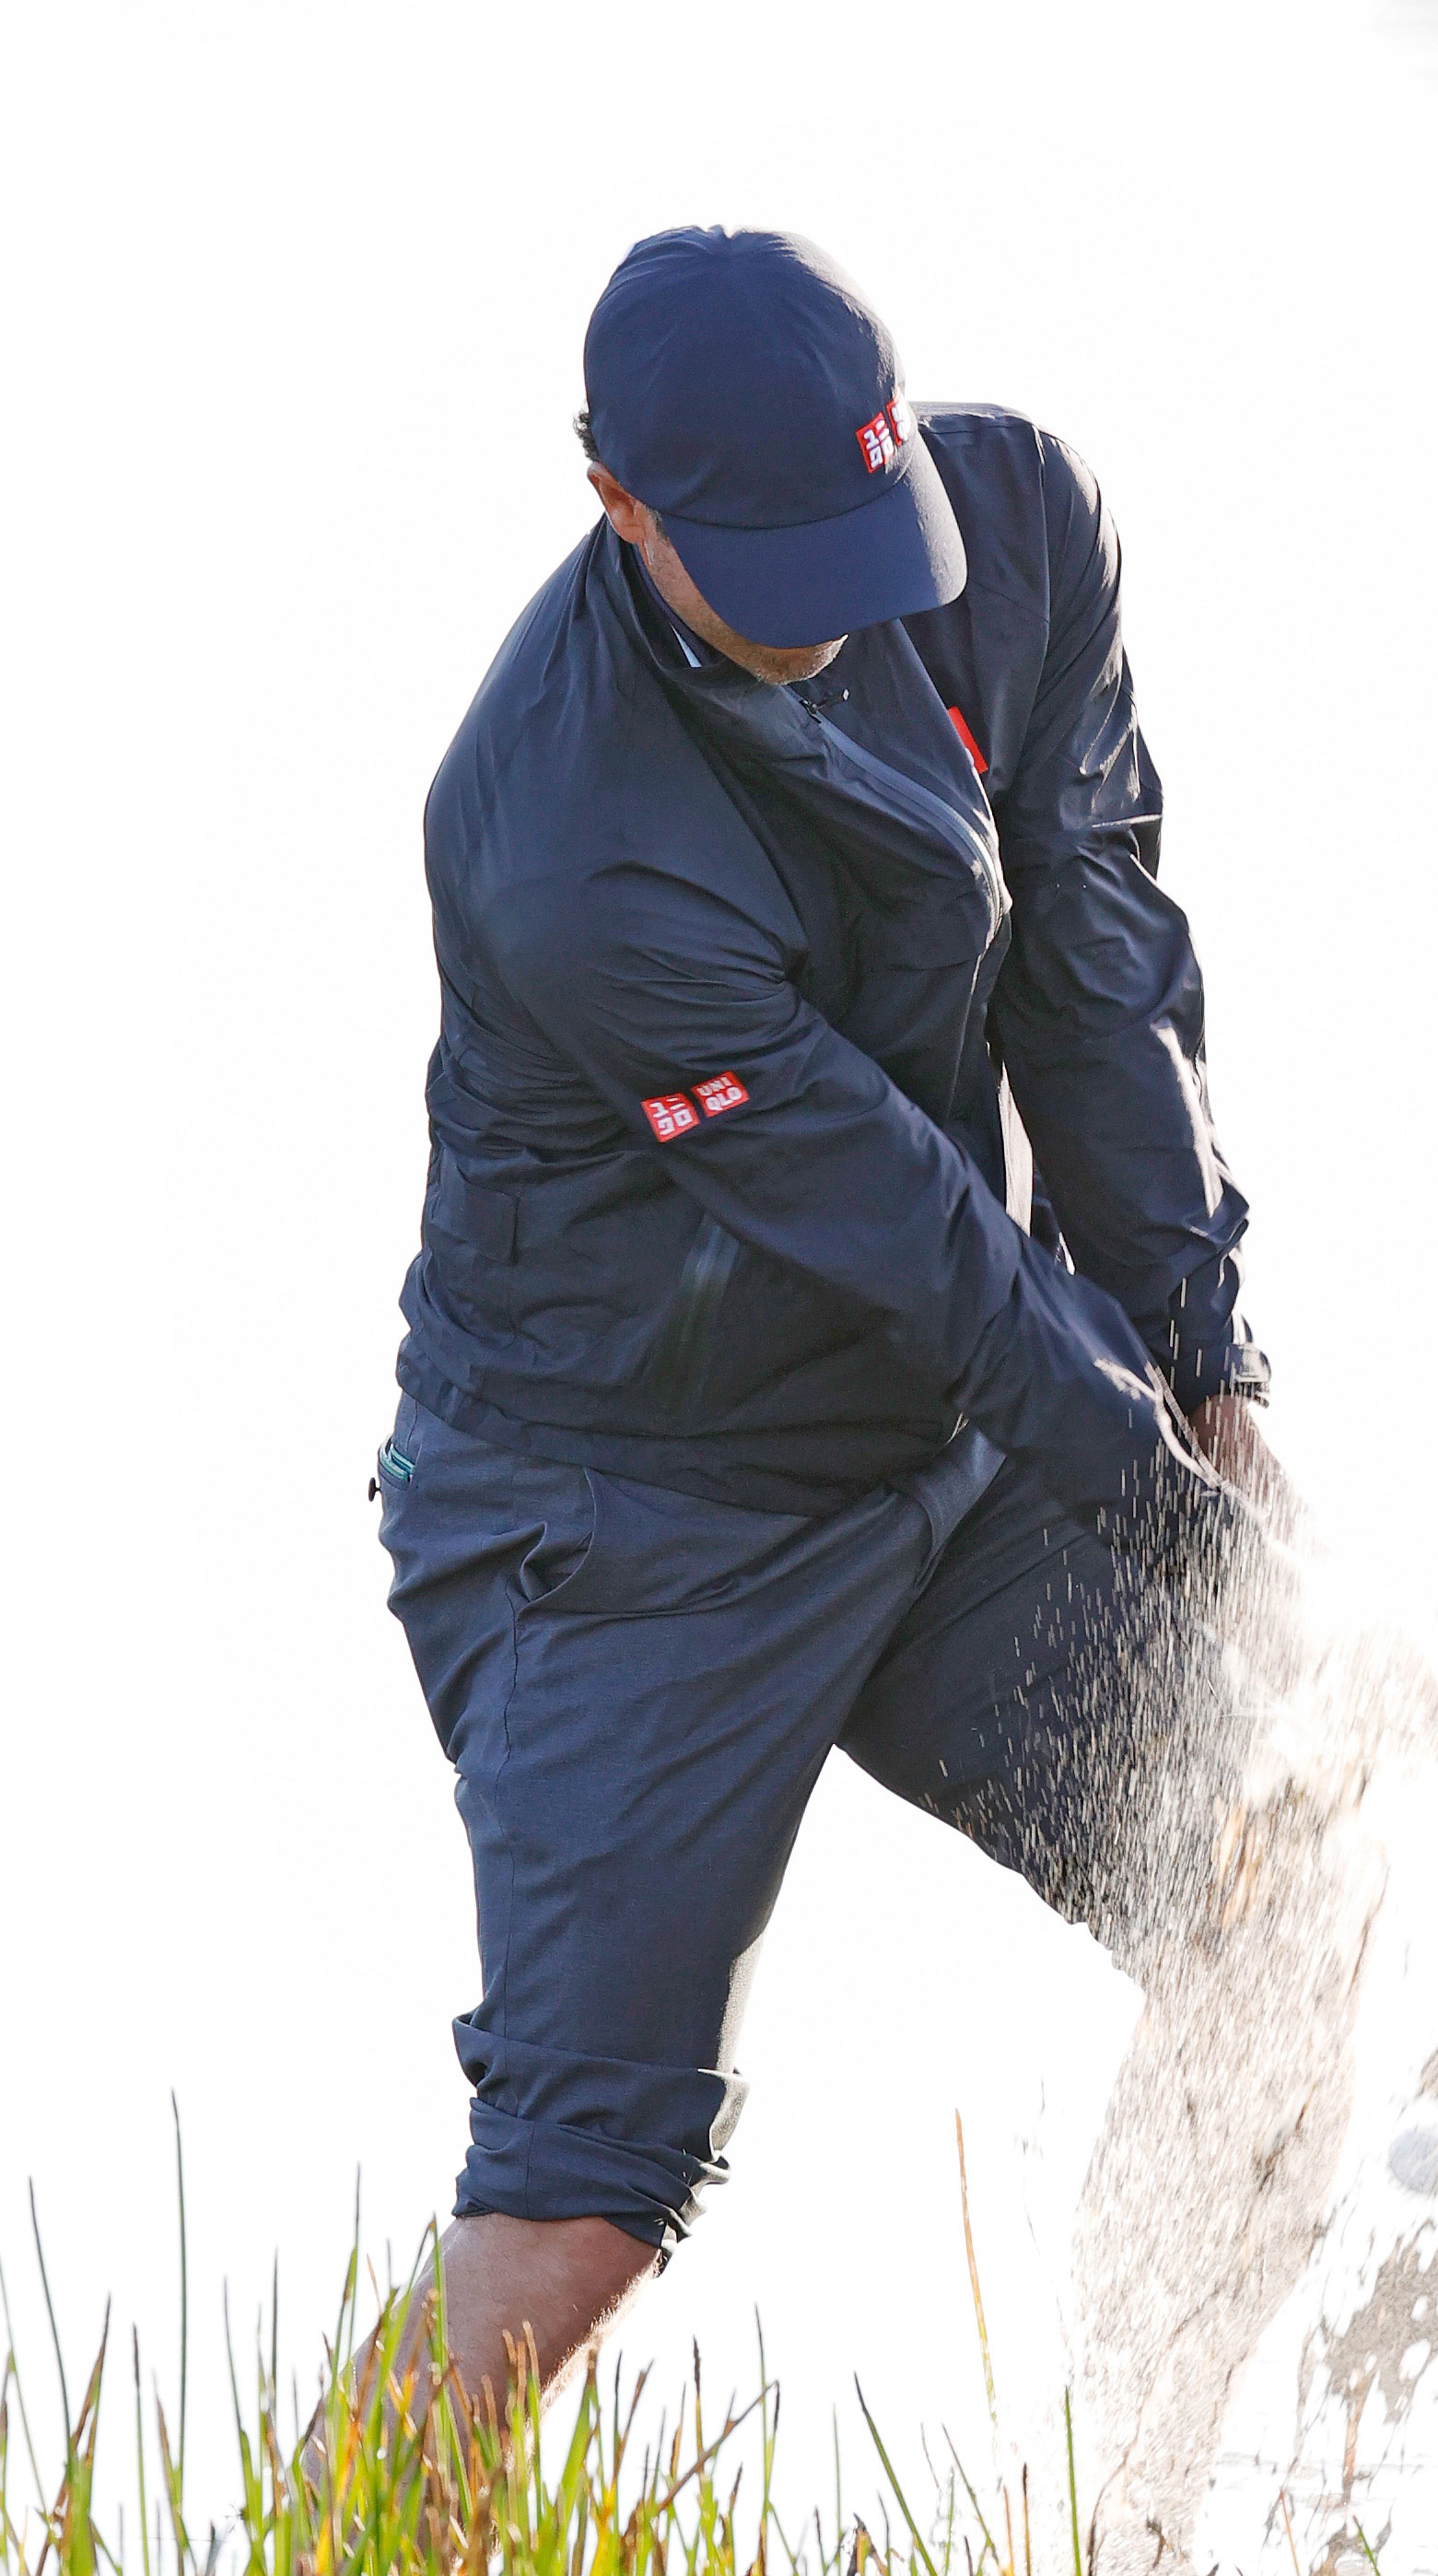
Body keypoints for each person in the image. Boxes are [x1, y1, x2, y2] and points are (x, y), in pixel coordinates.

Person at [371, 225, 1280, 2430]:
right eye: (772, 555)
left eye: (865, 530)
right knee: (582, 2209)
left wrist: (1215, 1373)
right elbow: (912, 1236)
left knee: (1278, 1890)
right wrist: (1197, 1528)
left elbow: (1095, 957)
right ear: (622, 505)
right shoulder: (564, 845)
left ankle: (1150, 2541)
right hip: (622, 1519)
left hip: (935, 1449)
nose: (841, 595)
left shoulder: (1014, 539)